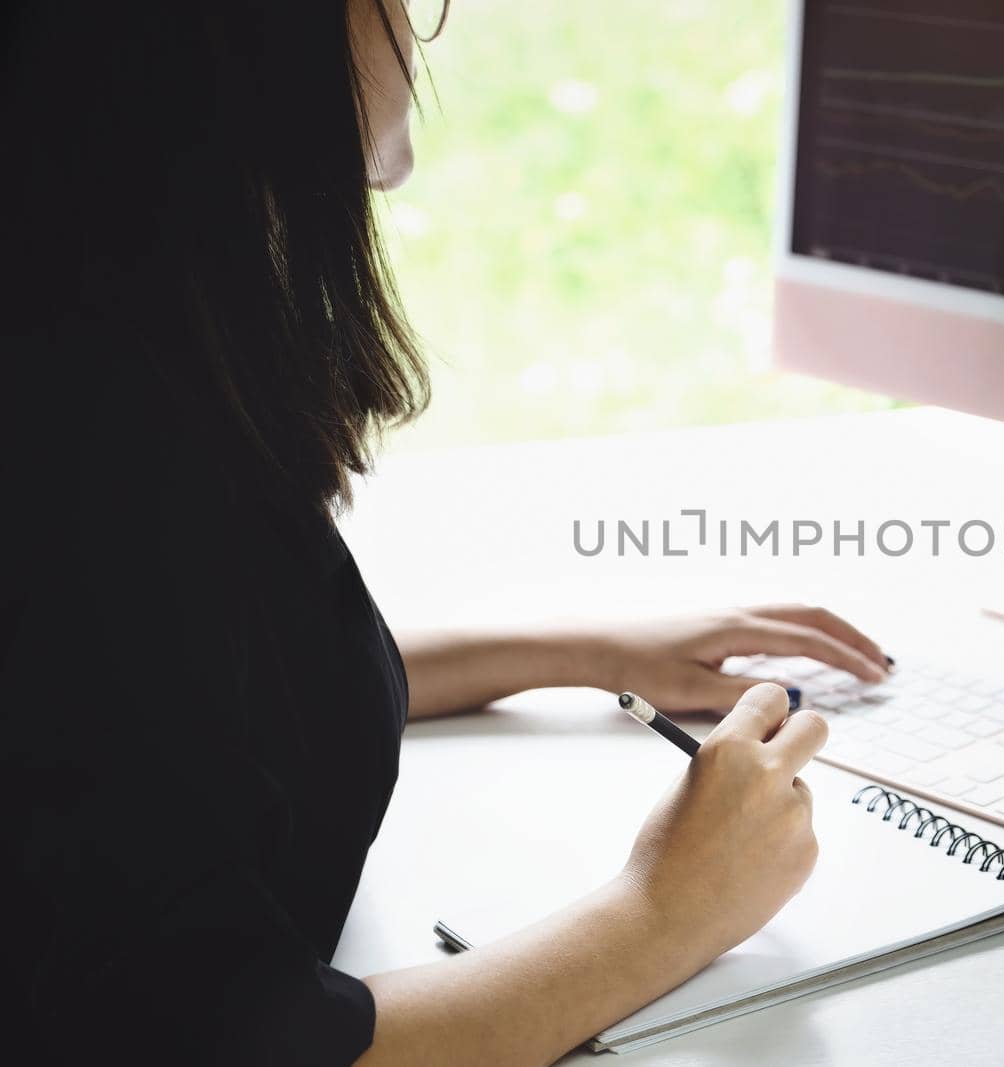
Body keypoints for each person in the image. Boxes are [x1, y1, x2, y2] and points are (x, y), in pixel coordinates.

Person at [0, 3, 890, 1063]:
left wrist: (579, 650)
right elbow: (218, 1038)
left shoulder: (102, 342)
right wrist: (667, 909)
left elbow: (158, 719)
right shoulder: (100, 472)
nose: (418, 30)